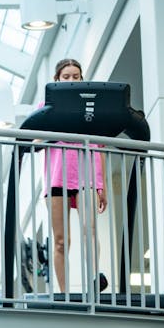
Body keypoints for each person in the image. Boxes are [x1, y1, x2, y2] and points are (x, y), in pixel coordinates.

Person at [43, 57, 108, 293]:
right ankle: (64, 293)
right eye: (66, 76)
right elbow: (35, 138)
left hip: (87, 176)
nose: (71, 80)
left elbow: (100, 146)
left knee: (89, 229)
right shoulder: (47, 106)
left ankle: (94, 279)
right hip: (57, 178)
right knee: (61, 241)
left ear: (82, 79)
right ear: (57, 80)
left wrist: (103, 187)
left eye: (76, 76)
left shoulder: (89, 106)